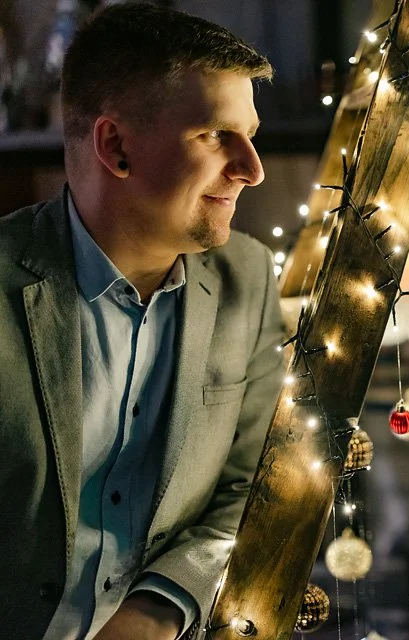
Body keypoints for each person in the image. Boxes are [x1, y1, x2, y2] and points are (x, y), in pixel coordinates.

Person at [0, 4, 285, 639]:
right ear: (116, 146)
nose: (252, 169)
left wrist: (157, 612)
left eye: (252, 135)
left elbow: (255, 486)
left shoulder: (249, 277)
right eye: (216, 135)